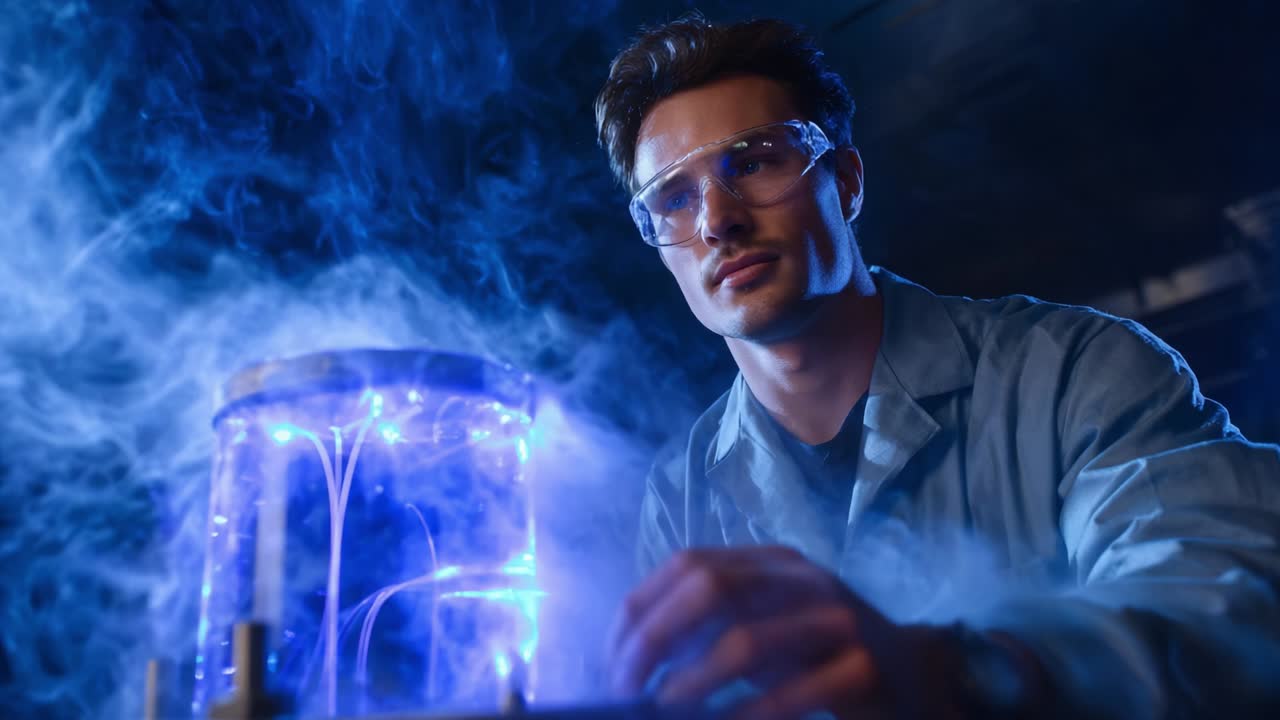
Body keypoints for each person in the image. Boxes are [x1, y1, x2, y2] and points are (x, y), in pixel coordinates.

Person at [592, 13, 1280, 720]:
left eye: (755, 160)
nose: (717, 220)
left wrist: (970, 675)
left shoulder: (1076, 371)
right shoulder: (681, 493)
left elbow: (1235, 601)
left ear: (848, 183)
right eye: (674, 197)